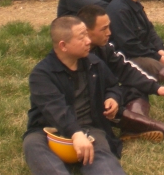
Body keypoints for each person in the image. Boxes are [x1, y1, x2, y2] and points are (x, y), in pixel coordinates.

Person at [22, 16, 126, 175]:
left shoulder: (94, 63)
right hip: (50, 130)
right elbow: (55, 109)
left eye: (87, 35)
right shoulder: (42, 74)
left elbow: (112, 85)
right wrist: (75, 133)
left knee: (104, 162)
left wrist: (112, 98)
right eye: (81, 37)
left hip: (89, 130)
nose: (88, 41)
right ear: (63, 46)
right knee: (33, 144)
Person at [77, 4, 164, 145]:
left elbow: (126, 69)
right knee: (109, 106)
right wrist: (111, 98)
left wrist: (157, 88)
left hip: (107, 98)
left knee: (136, 87)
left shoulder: (104, 48)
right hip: (91, 110)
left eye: (109, 27)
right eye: (103, 29)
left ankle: (134, 129)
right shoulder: (75, 55)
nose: (109, 32)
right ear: (86, 31)